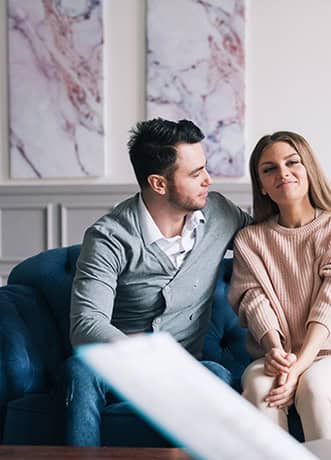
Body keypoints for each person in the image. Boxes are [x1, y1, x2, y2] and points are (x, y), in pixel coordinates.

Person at [62, 118, 252, 446]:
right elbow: (86, 324)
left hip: (186, 369)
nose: (209, 180)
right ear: (158, 183)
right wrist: (150, 357)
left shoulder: (219, 212)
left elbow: (272, 238)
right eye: (195, 174)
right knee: (81, 370)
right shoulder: (109, 237)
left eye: (204, 168)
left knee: (218, 376)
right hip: (119, 367)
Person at [227, 131, 331, 441]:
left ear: (309, 170)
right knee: (258, 385)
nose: (282, 173)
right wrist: (278, 354)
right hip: (277, 355)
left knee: (316, 386)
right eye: (269, 169)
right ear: (262, 186)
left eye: (292, 162)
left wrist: (300, 366)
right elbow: (254, 302)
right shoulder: (250, 240)